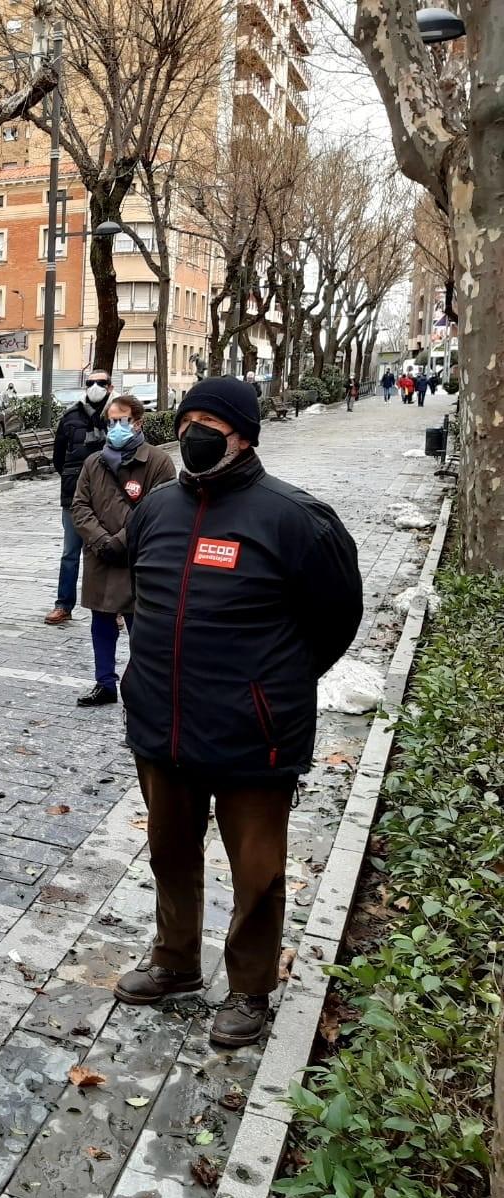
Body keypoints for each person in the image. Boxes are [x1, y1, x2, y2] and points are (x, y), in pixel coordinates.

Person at [115, 377, 361, 1047]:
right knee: (169, 852)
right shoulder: (156, 510)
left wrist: (272, 683)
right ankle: (174, 961)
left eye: (209, 422)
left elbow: (337, 617)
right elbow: (142, 595)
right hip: (161, 723)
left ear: (243, 434)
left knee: (256, 870)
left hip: (254, 734)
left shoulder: (293, 517)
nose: (193, 432)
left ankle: (249, 988)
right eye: (186, 418)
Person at [69, 395, 175, 707]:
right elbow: (80, 506)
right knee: (101, 621)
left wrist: (121, 541)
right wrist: (101, 540)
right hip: (100, 556)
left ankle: (141, 687)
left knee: (139, 627)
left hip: (137, 558)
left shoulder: (157, 462)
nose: (115, 427)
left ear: (138, 422)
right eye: (111, 420)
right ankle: (105, 683)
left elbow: (158, 509)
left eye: (122, 420)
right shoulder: (94, 462)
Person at [46, 368, 111, 625]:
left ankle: (111, 607)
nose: (95, 386)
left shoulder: (117, 415)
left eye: (101, 382)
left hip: (107, 497)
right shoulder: (71, 416)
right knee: (70, 553)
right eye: (91, 382)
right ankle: (64, 605)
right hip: (73, 496)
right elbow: (59, 458)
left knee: (106, 551)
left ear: (110, 385)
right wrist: (74, 478)